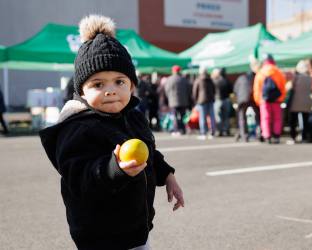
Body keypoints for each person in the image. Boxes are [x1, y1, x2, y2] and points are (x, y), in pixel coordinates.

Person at [39, 15, 184, 250]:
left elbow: (148, 152)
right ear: (82, 91)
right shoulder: (77, 127)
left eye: (119, 81)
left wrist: (167, 175)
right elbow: (78, 176)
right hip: (100, 235)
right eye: (98, 84)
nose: (110, 91)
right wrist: (114, 168)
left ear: (132, 85)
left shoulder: (133, 116)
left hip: (136, 228)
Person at [253, 54, 286, 144]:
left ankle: (267, 136)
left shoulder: (260, 72)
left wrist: (258, 100)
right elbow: (283, 87)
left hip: (264, 100)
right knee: (277, 118)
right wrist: (281, 98)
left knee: (265, 118)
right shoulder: (278, 72)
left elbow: (257, 89)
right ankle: (276, 135)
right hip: (276, 100)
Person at [233, 58, 261, 142]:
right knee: (258, 116)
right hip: (251, 97)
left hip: (242, 98)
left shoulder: (241, 77)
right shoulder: (256, 76)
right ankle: (259, 133)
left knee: (242, 117)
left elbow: (235, 89)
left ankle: (243, 135)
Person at [287, 60, 312, 144]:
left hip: (295, 102)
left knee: (293, 121)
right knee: (305, 121)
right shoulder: (310, 78)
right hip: (306, 102)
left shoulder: (296, 77)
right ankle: (304, 137)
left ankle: (293, 137)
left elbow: (289, 87)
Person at [165, 65, 192, 135]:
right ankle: (183, 129)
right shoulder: (184, 79)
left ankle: (176, 129)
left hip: (173, 101)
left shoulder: (169, 79)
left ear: (173, 71)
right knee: (183, 116)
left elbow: (166, 90)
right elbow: (189, 90)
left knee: (175, 116)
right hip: (183, 101)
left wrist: (169, 97)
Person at [192, 66, 216, 139]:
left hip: (201, 101)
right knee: (211, 117)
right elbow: (214, 89)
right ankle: (212, 133)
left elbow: (194, 92)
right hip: (210, 100)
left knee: (202, 118)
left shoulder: (198, 80)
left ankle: (203, 133)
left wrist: (196, 100)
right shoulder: (210, 79)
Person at [212, 68, 232, 136]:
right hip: (226, 99)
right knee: (226, 117)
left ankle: (219, 130)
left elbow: (212, 91)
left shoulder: (215, 81)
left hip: (218, 100)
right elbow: (231, 90)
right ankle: (226, 130)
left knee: (218, 116)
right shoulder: (227, 81)